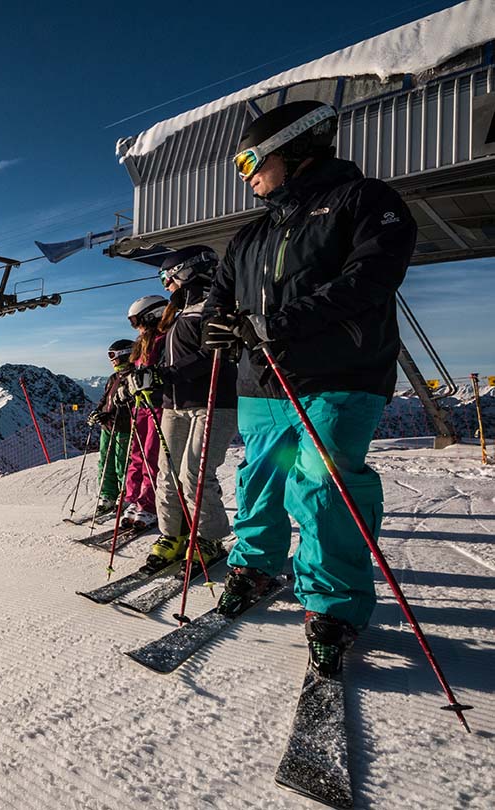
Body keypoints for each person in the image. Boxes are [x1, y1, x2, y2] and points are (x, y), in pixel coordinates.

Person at [201, 100, 416, 676]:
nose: (245, 174)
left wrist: (275, 325)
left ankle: (332, 607)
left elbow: (370, 279)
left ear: (294, 148)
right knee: (259, 479)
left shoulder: (364, 202)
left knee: (322, 487)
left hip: (339, 375)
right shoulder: (249, 236)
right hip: (262, 382)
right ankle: (256, 564)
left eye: (250, 160)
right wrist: (219, 328)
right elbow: (220, 299)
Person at [128, 246, 238, 571]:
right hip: (174, 406)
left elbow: (211, 356)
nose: (165, 285)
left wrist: (163, 374)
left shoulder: (212, 308)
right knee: (167, 475)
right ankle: (173, 535)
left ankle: (209, 538)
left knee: (194, 476)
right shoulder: (177, 317)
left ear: (186, 271)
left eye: (166, 276)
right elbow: (171, 363)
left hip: (213, 404)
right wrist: (149, 380)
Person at [119, 295, 168, 533]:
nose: (135, 326)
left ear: (152, 315)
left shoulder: (163, 340)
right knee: (136, 454)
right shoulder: (142, 343)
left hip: (157, 405)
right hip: (140, 405)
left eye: (136, 320)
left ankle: (148, 503)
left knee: (151, 455)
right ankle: (134, 498)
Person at [86, 339, 136, 518]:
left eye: (113, 355)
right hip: (108, 427)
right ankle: (108, 496)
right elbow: (105, 399)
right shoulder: (114, 378)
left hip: (123, 427)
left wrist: (109, 415)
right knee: (104, 461)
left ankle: (126, 496)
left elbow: (130, 405)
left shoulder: (134, 376)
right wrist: (98, 412)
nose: (111, 360)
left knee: (121, 463)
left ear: (125, 354)